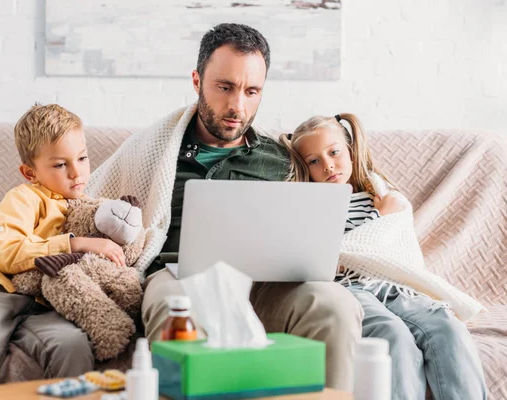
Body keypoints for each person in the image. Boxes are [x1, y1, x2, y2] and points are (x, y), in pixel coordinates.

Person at [85, 23, 363, 391]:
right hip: (178, 275)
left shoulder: (282, 158)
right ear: (197, 81)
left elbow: (346, 188)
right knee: (174, 306)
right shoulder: (152, 149)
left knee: (334, 306)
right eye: (225, 87)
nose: (238, 106)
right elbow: (87, 201)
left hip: (267, 284)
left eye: (252, 91)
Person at [280, 113, 487, 400]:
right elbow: (326, 254)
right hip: (349, 288)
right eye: (314, 161)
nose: (327, 165)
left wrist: (383, 215)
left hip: (390, 283)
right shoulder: (311, 205)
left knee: (446, 326)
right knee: (393, 335)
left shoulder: (380, 194)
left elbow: (395, 242)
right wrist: (378, 218)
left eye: (334, 152)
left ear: (351, 151)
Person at [0, 104, 127, 394]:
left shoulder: (91, 208)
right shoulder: (24, 198)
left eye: (82, 158)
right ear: (29, 172)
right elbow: (7, 251)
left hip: (47, 303)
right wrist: (74, 243)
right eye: (60, 165)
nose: (76, 173)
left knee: (72, 347)